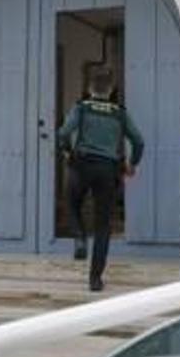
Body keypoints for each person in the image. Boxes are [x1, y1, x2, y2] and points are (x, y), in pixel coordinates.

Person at [57, 66, 144, 292]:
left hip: (82, 165)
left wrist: (66, 151)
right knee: (103, 225)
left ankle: (79, 238)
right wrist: (132, 164)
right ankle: (95, 279)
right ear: (111, 89)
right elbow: (139, 141)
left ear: (89, 88)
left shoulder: (82, 108)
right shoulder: (119, 113)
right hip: (107, 170)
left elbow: (64, 133)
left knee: (71, 202)